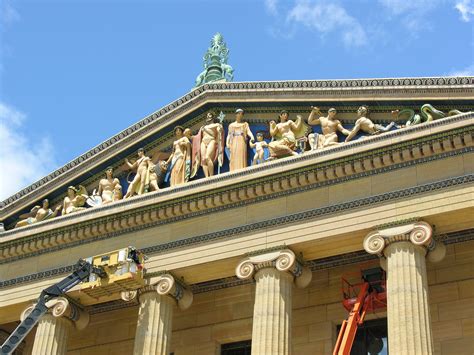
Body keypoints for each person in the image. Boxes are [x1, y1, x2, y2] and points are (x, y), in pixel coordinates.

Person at [191, 112, 224, 177]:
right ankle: (206, 177)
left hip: (211, 141)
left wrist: (220, 129)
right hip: (203, 142)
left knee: (207, 157)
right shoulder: (203, 127)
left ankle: (211, 176)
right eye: (207, 115)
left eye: (209, 115)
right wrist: (190, 136)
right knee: (203, 160)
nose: (208, 116)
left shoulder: (216, 125)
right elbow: (198, 137)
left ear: (212, 117)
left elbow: (219, 132)